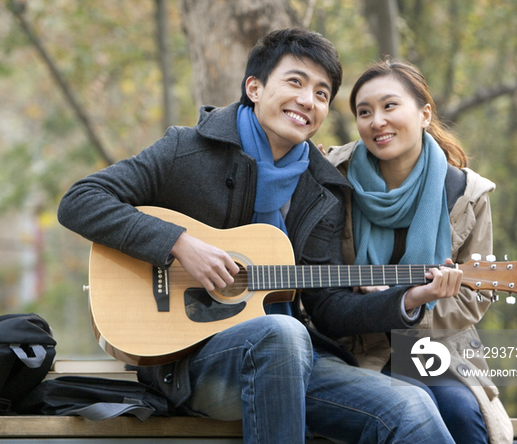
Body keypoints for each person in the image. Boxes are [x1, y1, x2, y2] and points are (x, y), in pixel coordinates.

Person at [58, 29, 456, 443]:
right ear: (254, 87)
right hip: (190, 363)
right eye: (296, 82)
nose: (308, 100)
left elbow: (329, 310)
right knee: (281, 335)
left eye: (322, 94)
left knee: (413, 407)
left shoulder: (321, 190)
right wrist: (179, 244)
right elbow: (80, 200)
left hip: (296, 359)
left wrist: (408, 299)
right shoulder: (189, 150)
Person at [310, 58, 514, 444]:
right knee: (406, 406)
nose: (377, 121)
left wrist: (413, 306)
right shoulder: (330, 176)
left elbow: (474, 297)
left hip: (431, 347)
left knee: (462, 414)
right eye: (364, 112)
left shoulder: (466, 195)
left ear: (424, 113)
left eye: (390, 106)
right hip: (351, 346)